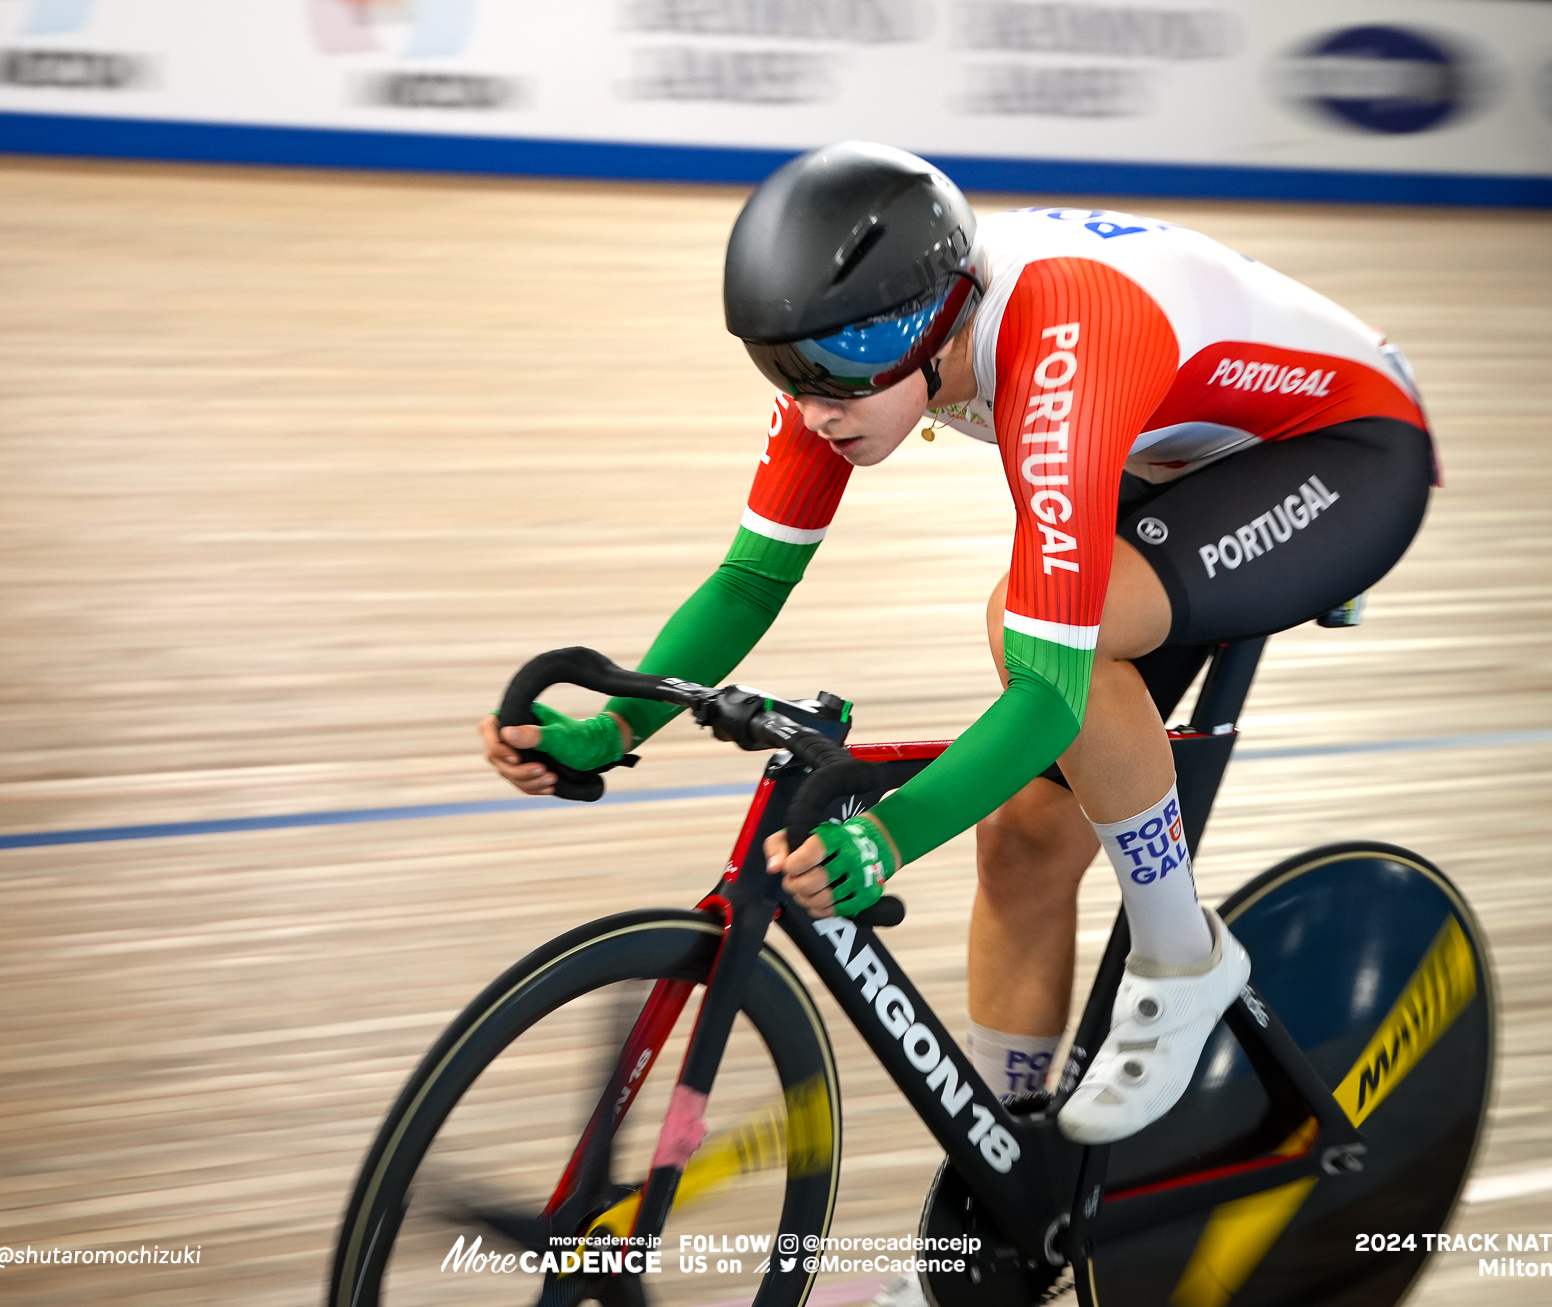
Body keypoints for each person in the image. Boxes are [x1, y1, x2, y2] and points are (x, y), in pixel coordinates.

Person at [480, 141, 1433, 1145]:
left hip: (1340, 452)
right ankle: (1002, 1176)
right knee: (1021, 844)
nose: (811, 409)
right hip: (1174, 451)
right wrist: (614, 725)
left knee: (1036, 622)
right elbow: (749, 581)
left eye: (835, 374)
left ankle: (1181, 954)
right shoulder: (843, 352)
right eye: (780, 368)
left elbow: (1050, 691)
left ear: (935, 322)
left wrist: (888, 835)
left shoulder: (1061, 337)